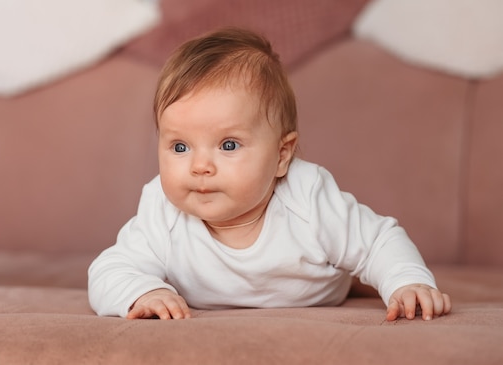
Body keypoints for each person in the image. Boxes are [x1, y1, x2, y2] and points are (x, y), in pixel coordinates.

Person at [88, 27, 452, 321]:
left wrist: (407, 283)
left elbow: (378, 241)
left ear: (281, 156)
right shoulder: (161, 211)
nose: (200, 166)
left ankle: (360, 280)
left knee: (370, 260)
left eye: (228, 145)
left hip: (321, 292)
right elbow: (108, 270)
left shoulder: (306, 196)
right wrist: (143, 291)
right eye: (180, 147)